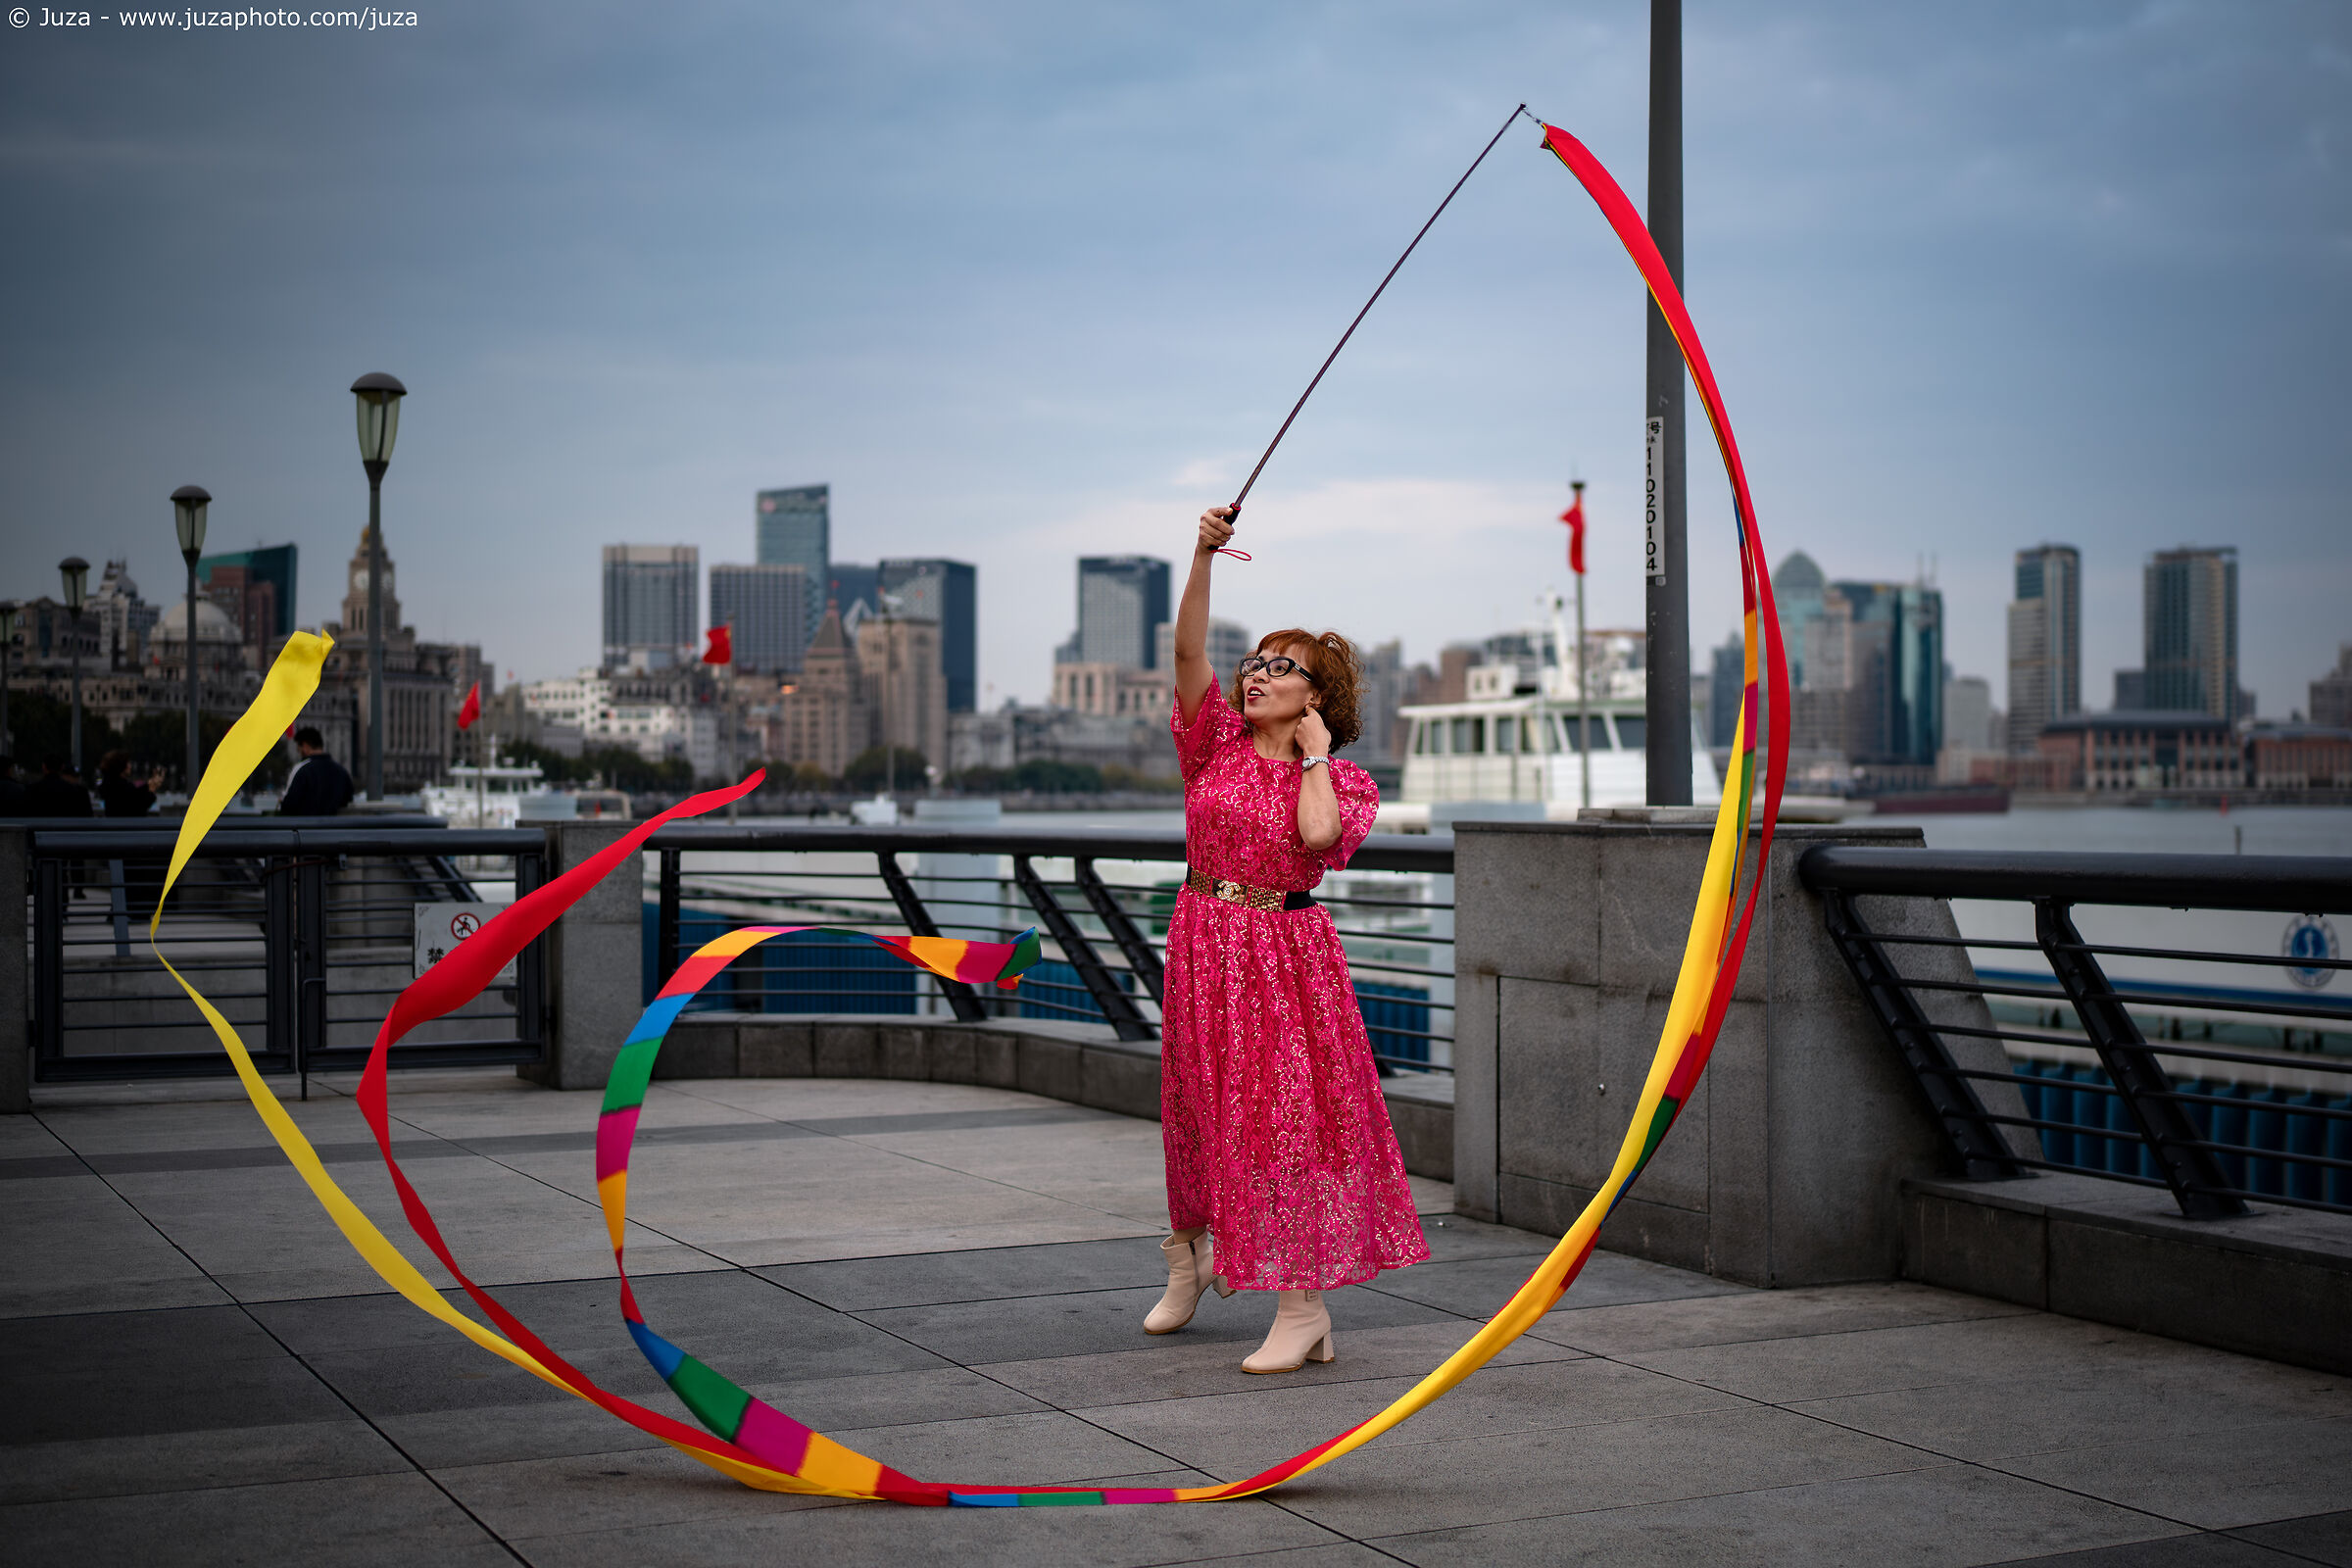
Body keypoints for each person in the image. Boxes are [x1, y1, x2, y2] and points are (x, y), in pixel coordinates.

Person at [1147, 503, 1429, 1374]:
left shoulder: (1342, 780)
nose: (1256, 674)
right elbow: (1189, 651)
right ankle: (1189, 1253)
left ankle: (1302, 1304)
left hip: (1279, 955)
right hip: (1202, 937)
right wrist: (1201, 555)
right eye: (1256, 661)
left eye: (1283, 668)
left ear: (1317, 698)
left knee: (1281, 1125)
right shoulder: (1214, 748)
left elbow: (1313, 841)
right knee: (1195, 1108)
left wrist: (1310, 756)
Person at [279, 727, 354, 816]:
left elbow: (289, 806)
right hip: (333, 827)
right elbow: (348, 800)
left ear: (305, 746)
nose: (300, 754)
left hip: (306, 827)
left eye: (299, 750)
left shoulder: (302, 769)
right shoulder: (342, 772)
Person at [96, 750, 164, 817]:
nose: (130, 766)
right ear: (121, 766)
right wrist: (152, 789)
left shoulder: (111, 784)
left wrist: (149, 785)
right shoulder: (121, 786)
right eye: (128, 763)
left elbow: (134, 794)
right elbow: (137, 808)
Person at [26, 755, 92, 818]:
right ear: (62, 767)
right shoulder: (76, 792)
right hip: (68, 828)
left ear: (44, 767)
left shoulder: (32, 790)